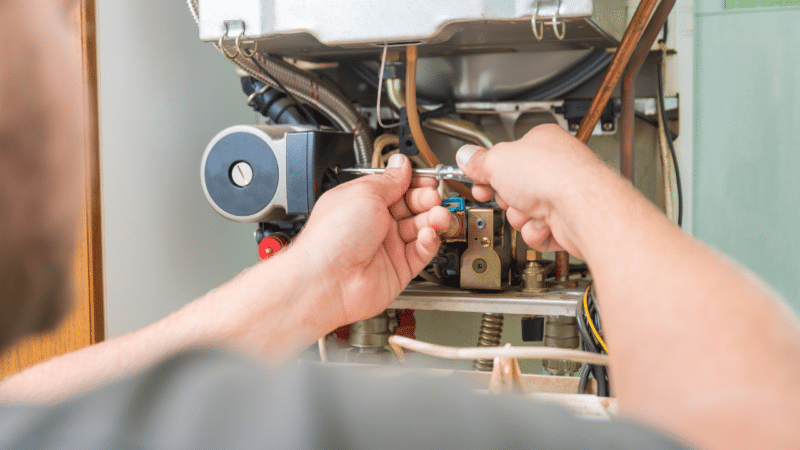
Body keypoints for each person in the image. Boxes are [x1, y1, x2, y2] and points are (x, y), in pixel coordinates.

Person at [1, 0, 798, 449]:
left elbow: (29, 405)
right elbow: (761, 425)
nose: (72, 33)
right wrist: (588, 198)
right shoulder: (281, 428)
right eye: (51, 19)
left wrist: (312, 285)